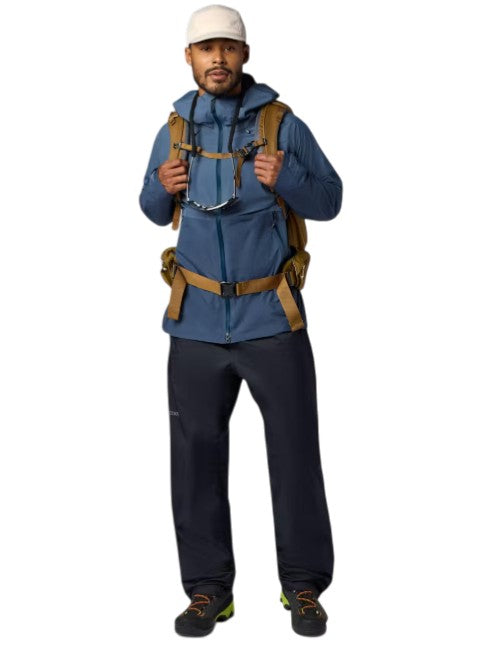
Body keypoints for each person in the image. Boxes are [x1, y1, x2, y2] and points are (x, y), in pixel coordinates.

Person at [139, 4, 343, 638]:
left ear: (244, 55)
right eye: (206, 49)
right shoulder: (174, 130)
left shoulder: (282, 125)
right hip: (195, 325)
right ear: (190, 58)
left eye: (228, 48)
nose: (218, 59)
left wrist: (290, 176)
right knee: (194, 462)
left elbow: (331, 199)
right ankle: (208, 592)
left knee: (295, 456)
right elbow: (151, 209)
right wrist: (160, 185)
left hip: (272, 320)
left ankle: (303, 586)